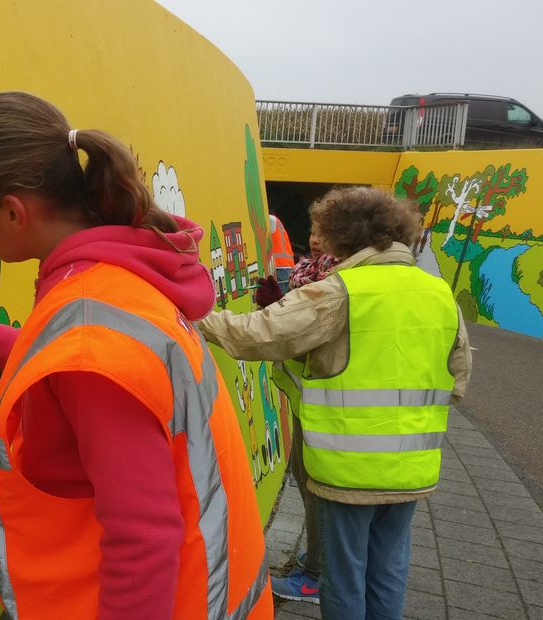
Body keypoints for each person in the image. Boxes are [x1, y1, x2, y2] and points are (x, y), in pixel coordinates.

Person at [0, 91, 272, 619]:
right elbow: (65, 370)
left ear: (14, 212)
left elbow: (142, 537)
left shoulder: (90, 333)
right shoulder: (111, 280)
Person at [198, 186, 472, 620]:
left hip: (348, 469)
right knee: (388, 568)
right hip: (413, 467)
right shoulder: (437, 293)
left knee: (342, 577)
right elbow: (458, 379)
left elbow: (258, 334)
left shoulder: (341, 291)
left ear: (342, 235)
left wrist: (191, 312)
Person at [250, 228, 342, 605]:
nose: (317, 238)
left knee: (315, 487)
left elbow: (297, 335)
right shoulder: (314, 273)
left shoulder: (334, 284)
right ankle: (324, 564)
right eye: (314, 230)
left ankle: (316, 578)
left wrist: (273, 315)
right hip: (323, 406)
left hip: (327, 408)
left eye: (326, 231)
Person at [268, 214, 296, 292]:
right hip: (285, 267)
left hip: (280, 268)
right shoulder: (276, 221)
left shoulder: (270, 219)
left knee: (280, 300)